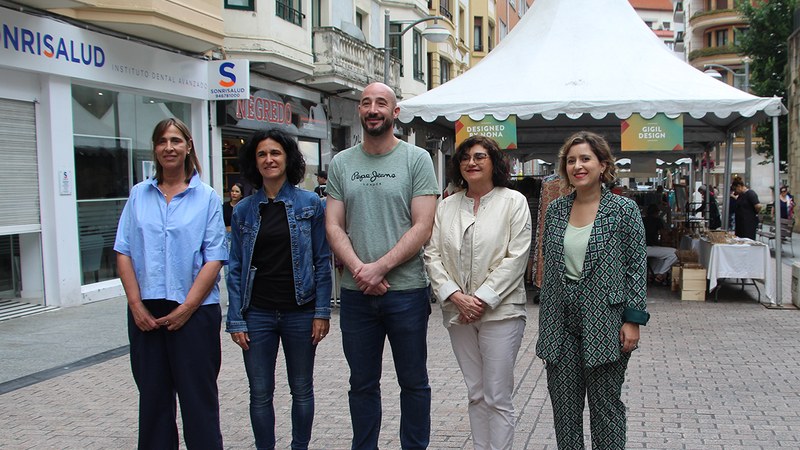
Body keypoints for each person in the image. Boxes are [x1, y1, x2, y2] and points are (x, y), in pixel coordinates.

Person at [325, 82, 439, 450]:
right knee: (361, 384)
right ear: (359, 111)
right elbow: (333, 225)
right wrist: (361, 269)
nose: (373, 109)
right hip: (356, 295)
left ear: (395, 112)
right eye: (366, 103)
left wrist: (380, 268)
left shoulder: (416, 159)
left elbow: (423, 225)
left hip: (406, 292)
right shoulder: (342, 163)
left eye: (381, 103)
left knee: (414, 382)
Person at [114, 118, 227, 449]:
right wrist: (135, 305)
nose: (169, 147)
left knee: (198, 401)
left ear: (188, 146)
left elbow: (214, 257)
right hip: (146, 314)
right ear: (155, 148)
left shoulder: (206, 197)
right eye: (162, 141)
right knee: (153, 401)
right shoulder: (139, 195)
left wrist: (187, 308)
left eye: (176, 140)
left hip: (195, 312)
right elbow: (123, 251)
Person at [536, 131, 650, 449]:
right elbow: (550, 266)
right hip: (560, 325)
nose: (578, 166)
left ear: (603, 165)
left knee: (606, 411)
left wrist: (633, 320)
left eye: (585, 159)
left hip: (606, 323)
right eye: (571, 160)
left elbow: (636, 268)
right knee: (565, 415)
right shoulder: (556, 210)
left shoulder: (623, 210)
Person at [226, 128, 332, 450]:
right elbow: (235, 267)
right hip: (257, 314)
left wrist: (322, 312)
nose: (269, 159)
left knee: (301, 389)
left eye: (275, 153)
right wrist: (236, 319)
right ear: (254, 161)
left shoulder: (310, 204)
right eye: (262, 154)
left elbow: (322, 260)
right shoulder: (243, 209)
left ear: (287, 158)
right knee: (259, 393)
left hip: (300, 312)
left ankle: (300, 446)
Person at [424, 135, 531, 449]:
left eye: (480, 156)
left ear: (494, 162)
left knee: (497, 395)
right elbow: (432, 255)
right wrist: (455, 296)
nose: (471, 162)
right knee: (476, 392)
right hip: (458, 311)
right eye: (465, 157)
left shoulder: (513, 202)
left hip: (501, 311)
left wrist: (481, 298)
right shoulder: (446, 206)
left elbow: (517, 256)